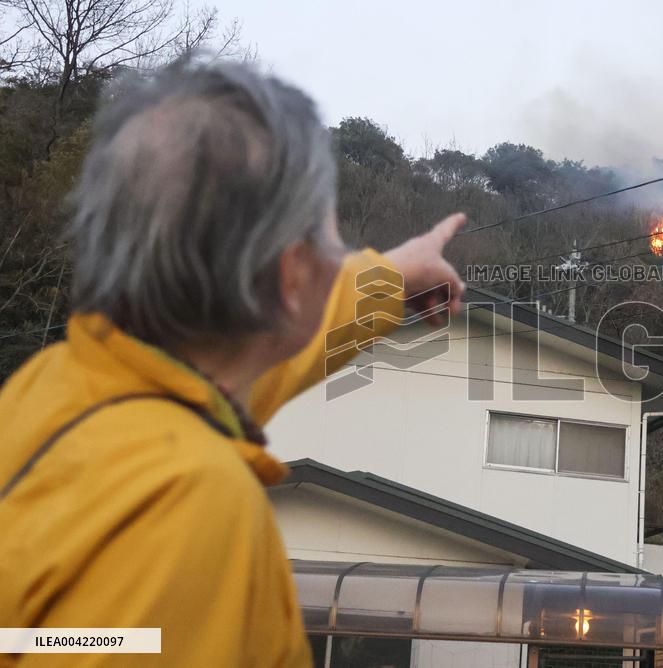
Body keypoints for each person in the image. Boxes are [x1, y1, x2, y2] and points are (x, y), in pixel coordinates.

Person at [0, 60, 465, 666]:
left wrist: (394, 272)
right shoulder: (187, 502)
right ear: (291, 273)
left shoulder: (60, 389)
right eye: (331, 240)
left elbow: (278, 343)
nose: (339, 258)